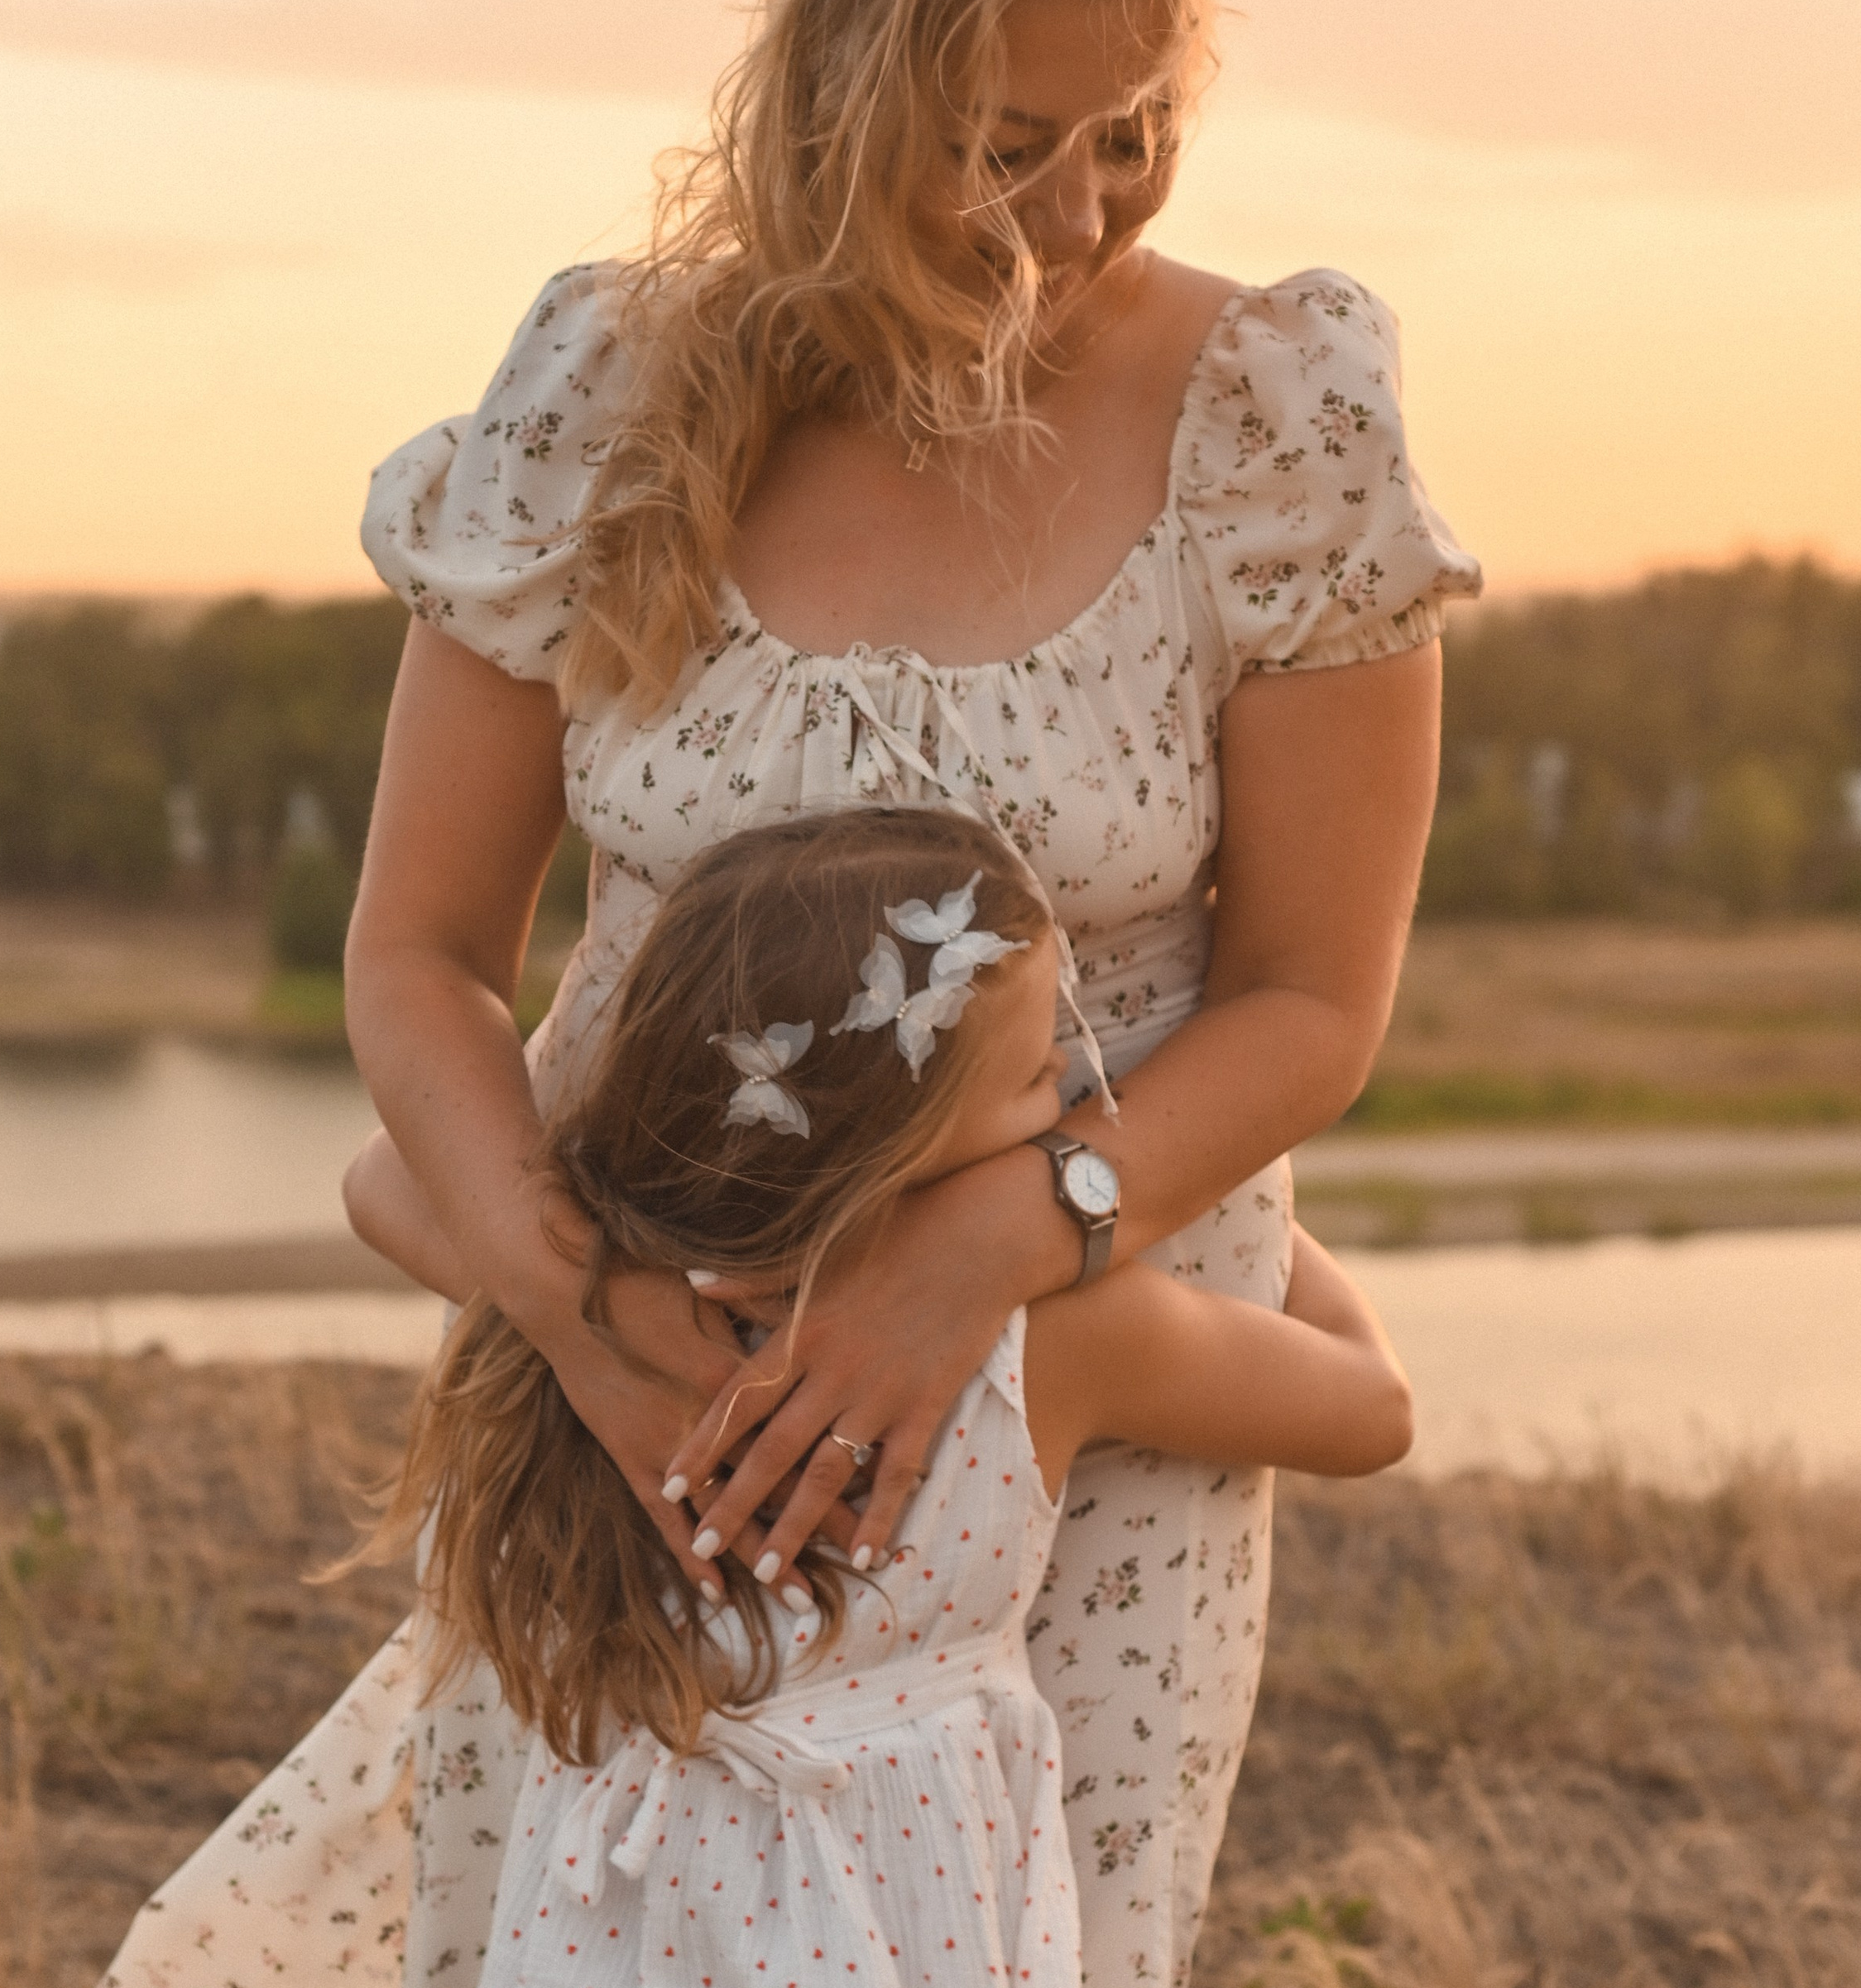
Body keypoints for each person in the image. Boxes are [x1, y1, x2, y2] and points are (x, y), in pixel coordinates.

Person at [103, 0, 1480, 1981]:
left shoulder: (1274, 418)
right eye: (1002, 144)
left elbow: (1312, 997)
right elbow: (413, 958)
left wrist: (1001, 1245)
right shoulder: (607, 389)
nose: (1079, 206)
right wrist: (586, 1324)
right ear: (842, 88)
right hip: (634, 1394)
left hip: (1073, 1398)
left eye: (1131, 128)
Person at [361, 805, 1413, 1987]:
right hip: (908, 1900)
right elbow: (1372, 1408)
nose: (1069, 1078)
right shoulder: (1051, 1344)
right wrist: (1236, 1206)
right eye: (1032, 1076)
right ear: (900, 1139)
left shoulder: (634, 1318)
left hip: (614, 1903)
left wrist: (585, 1291)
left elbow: (380, 1180)